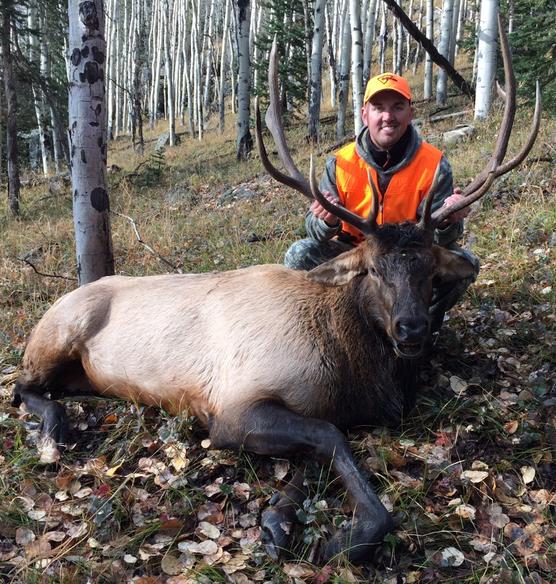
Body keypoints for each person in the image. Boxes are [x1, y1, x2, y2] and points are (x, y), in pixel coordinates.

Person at [284, 72, 479, 334]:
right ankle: (325, 329)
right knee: (299, 254)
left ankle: (421, 327)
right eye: (379, 108)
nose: (388, 117)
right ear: (365, 114)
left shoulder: (433, 164)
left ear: (410, 112)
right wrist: (326, 222)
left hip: (410, 258)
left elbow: (444, 239)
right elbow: (314, 231)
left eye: (397, 107)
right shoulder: (341, 163)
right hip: (357, 252)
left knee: (466, 263)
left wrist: (449, 221)